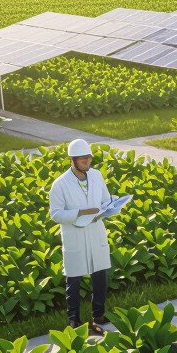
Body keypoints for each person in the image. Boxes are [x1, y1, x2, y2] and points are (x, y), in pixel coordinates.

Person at [48, 138, 112, 336]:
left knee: (100, 277)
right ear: (72, 160)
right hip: (75, 236)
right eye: (83, 159)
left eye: (89, 158)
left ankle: (99, 315)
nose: (88, 162)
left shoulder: (96, 176)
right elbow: (56, 214)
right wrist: (80, 212)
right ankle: (74, 321)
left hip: (96, 233)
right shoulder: (60, 184)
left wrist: (111, 206)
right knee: (73, 281)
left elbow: (105, 199)